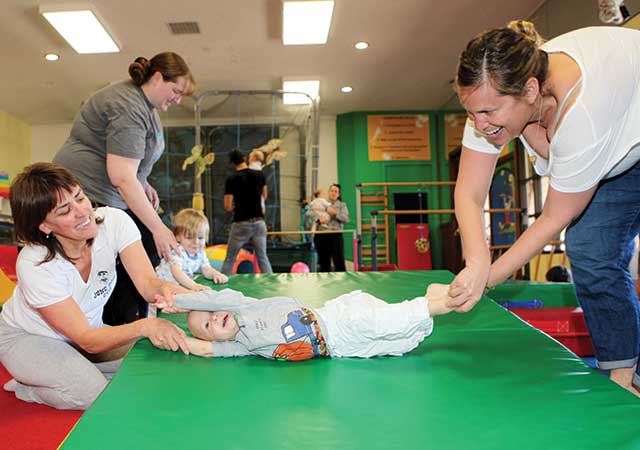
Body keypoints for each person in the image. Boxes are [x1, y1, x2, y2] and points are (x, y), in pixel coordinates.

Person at [448, 20, 640, 394]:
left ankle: (626, 379)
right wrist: (475, 264)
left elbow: (555, 216)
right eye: (471, 113)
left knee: (587, 240)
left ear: (530, 90)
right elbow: (468, 193)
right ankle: (623, 374)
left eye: (488, 112)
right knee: (590, 248)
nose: (479, 124)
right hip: (619, 142)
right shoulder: (496, 102)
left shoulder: (583, 111)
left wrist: (486, 281)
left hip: (626, 118)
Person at [0, 163, 189, 410]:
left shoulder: (114, 222)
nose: (82, 212)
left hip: (88, 333)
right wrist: (145, 326)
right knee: (96, 394)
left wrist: (167, 290)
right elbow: (88, 340)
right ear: (45, 226)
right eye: (65, 210)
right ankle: (29, 388)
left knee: (152, 363)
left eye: (80, 197)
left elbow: (147, 284)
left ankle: (74, 372)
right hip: (28, 338)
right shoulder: (35, 264)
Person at [53, 52, 195, 326]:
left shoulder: (144, 105)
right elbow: (121, 176)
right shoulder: (128, 106)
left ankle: (130, 318)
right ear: (156, 78)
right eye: (176, 90)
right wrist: (158, 228)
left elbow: (128, 163)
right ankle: (115, 325)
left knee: (147, 248)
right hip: (89, 194)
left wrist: (143, 181)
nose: (177, 99)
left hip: (110, 193)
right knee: (142, 244)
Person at [176, 283, 452, 361]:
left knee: (381, 323)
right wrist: (171, 335)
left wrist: (179, 301)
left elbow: (212, 300)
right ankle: (429, 296)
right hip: (338, 348)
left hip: (336, 318)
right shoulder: (242, 346)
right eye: (208, 326)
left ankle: (443, 304)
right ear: (214, 339)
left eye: (211, 312)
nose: (213, 317)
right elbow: (203, 349)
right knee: (402, 343)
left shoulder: (243, 307)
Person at [221, 149, 273, 275]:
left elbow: (227, 206)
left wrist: (238, 207)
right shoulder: (259, 175)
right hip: (259, 223)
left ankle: (221, 285)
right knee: (262, 257)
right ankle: (273, 284)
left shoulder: (232, 179)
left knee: (230, 258)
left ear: (232, 163)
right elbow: (264, 196)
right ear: (245, 158)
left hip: (241, 223)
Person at [155, 208, 228, 291]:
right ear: (178, 237)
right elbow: (176, 272)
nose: (196, 242)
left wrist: (215, 274)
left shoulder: (200, 252)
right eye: (189, 237)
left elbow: (206, 269)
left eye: (200, 238)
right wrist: (194, 286)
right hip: (162, 285)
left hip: (180, 285)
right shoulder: (178, 251)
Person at [307, 184, 349, 272]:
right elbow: (309, 213)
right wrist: (318, 219)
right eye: (332, 191)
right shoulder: (320, 202)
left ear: (338, 194)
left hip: (336, 236)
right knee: (324, 263)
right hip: (322, 235)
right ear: (328, 192)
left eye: (336, 191)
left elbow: (346, 219)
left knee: (339, 262)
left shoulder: (342, 205)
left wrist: (335, 213)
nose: (333, 193)